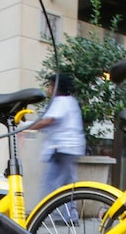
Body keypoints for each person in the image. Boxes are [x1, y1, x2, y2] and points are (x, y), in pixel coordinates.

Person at [32, 73, 86, 222]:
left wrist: (27, 126)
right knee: (67, 184)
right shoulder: (70, 101)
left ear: (57, 87)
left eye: (50, 85)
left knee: (50, 183)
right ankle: (70, 216)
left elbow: (48, 121)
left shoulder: (60, 101)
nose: (48, 89)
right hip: (71, 148)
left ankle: (42, 216)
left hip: (61, 148)